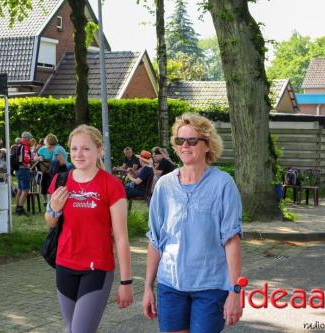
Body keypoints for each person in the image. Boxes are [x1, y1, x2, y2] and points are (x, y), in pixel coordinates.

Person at [142, 113, 243, 333]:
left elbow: (232, 240)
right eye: (180, 141)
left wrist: (235, 291)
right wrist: (148, 287)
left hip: (210, 286)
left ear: (207, 145)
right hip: (170, 285)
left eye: (192, 140)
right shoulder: (164, 186)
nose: (185, 146)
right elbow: (155, 240)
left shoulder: (223, 184)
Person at [45, 125, 133, 333]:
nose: (78, 154)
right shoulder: (61, 180)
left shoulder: (111, 185)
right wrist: (54, 210)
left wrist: (126, 282)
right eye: (74, 149)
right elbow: (50, 222)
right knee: (72, 328)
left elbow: (121, 237)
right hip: (64, 265)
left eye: (85, 148)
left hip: (97, 269)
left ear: (99, 150)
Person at [15, 131, 34, 215]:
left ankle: (17, 207)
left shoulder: (19, 145)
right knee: (25, 189)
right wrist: (31, 161)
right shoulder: (25, 146)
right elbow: (25, 159)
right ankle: (20, 208)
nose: (30, 141)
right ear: (27, 138)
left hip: (18, 170)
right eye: (30, 139)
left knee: (20, 189)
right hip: (23, 169)